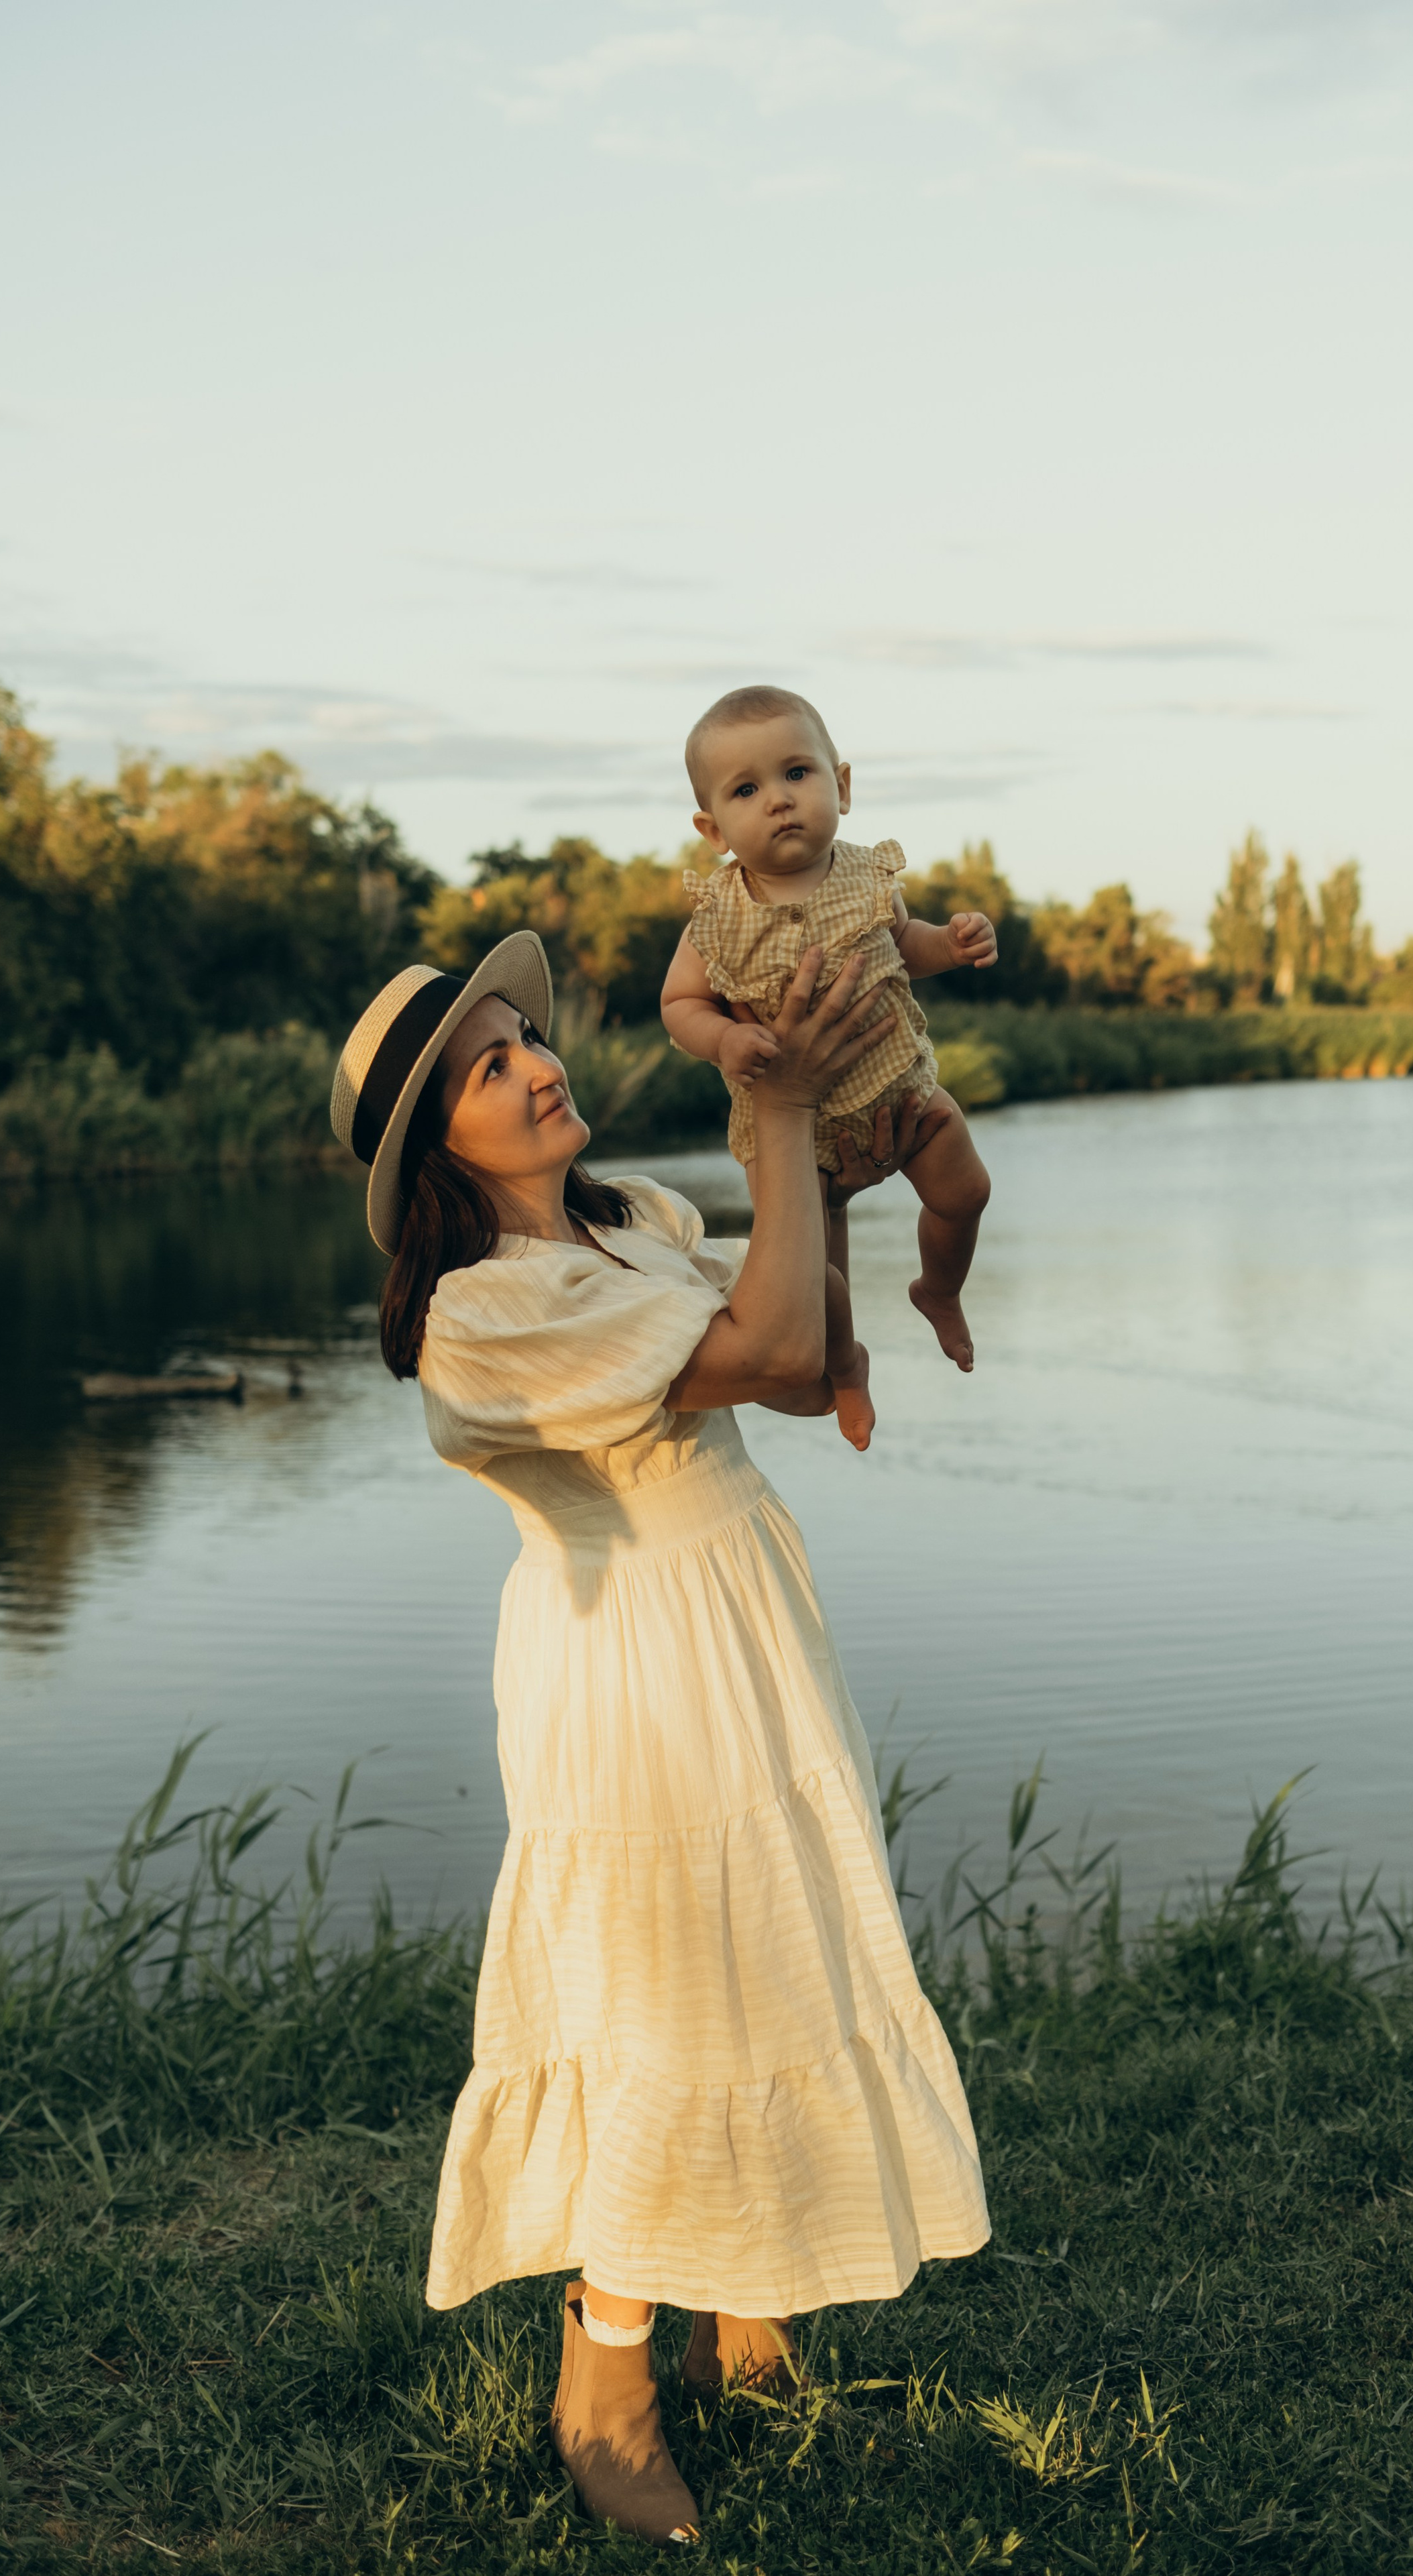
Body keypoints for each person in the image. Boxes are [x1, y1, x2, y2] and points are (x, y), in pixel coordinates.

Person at [329, 929, 991, 2546]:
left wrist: (829, 1112)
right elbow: (764, 1354)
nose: (535, 1066)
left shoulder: (631, 1220)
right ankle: (601, 2375)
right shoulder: (480, 1315)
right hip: (628, 1653)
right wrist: (757, 1103)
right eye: (487, 1069)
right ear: (438, 1146)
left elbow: (806, 1328)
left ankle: (741, 2278)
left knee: (776, 1940)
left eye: (523, 1041)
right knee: (660, 1979)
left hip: (738, 1598)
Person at [661, 686, 997, 1433]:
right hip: (790, 1130)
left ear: (840, 786)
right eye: (747, 790)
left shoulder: (867, 877)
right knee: (818, 1281)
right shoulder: (718, 915)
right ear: (713, 828)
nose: (778, 800)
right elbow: (679, 1003)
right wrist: (722, 1038)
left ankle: (938, 1289)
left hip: (898, 1086)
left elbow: (907, 948)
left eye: (797, 774)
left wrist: (955, 941)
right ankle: (844, 1363)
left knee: (967, 1189)